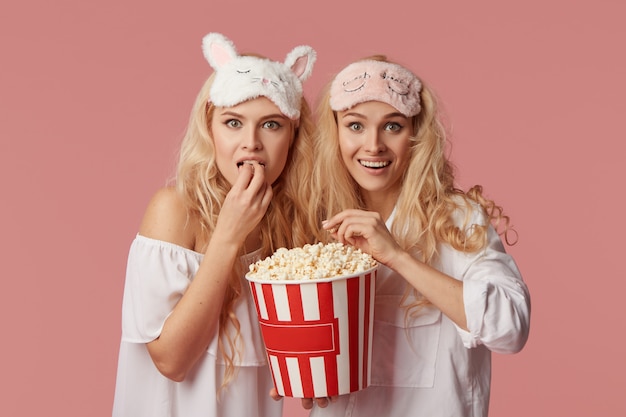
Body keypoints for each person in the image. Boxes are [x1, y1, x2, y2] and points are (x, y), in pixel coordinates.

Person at [303, 56, 531, 416]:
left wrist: (397, 256)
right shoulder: (317, 223)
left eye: (392, 127)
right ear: (335, 132)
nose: (373, 145)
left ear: (415, 134)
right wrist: (298, 372)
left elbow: (510, 327)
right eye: (355, 126)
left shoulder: (458, 220)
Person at [112, 32, 317, 417]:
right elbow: (172, 361)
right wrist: (228, 234)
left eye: (271, 125)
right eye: (233, 122)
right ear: (210, 128)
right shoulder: (173, 210)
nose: (251, 142)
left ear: (293, 135)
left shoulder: (291, 225)